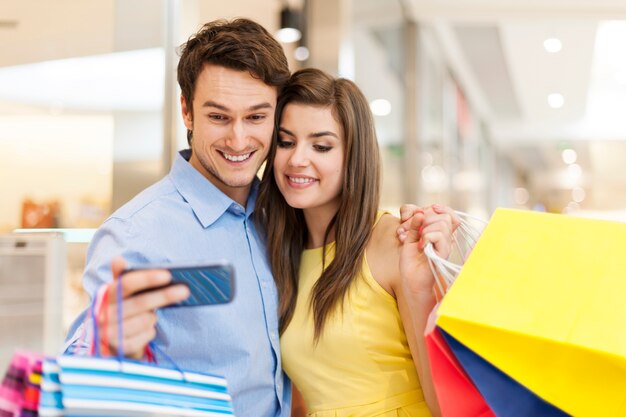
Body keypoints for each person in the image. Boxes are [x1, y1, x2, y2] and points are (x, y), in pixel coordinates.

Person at [64, 18, 293, 417]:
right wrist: (109, 348)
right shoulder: (134, 234)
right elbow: (86, 376)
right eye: (219, 117)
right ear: (187, 111)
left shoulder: (283, 213)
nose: (239, 140)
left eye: (256, 117)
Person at [256, 68, 458, 417]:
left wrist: (423, 286)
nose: (297, 159)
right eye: (286, 141)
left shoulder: (395, 242)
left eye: (321, 146)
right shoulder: (278, 252)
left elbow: (444, 404)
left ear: (354, 156)